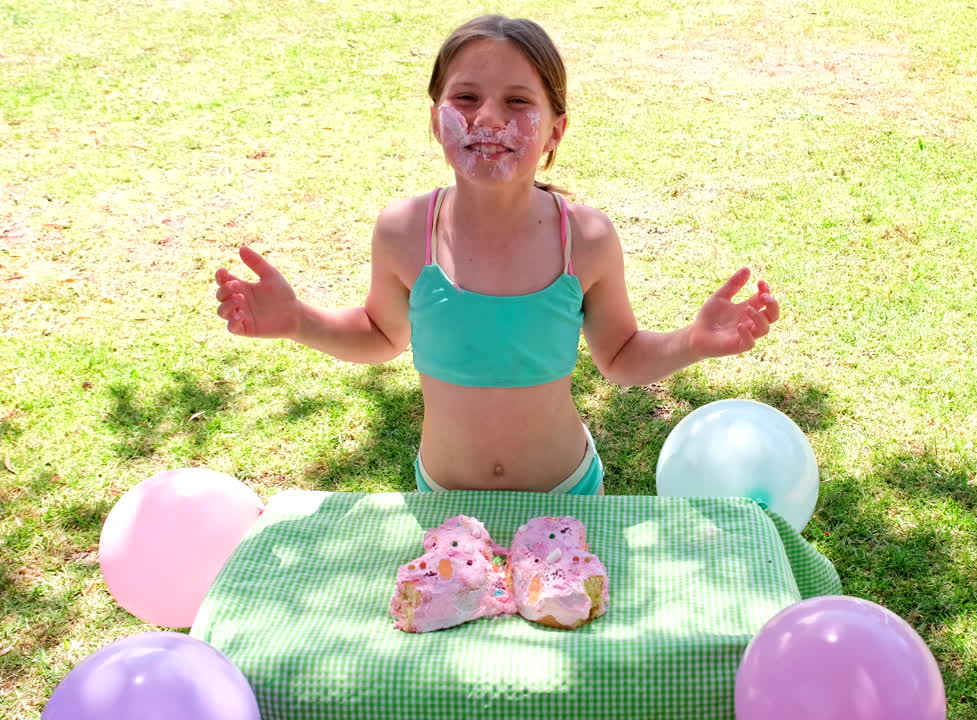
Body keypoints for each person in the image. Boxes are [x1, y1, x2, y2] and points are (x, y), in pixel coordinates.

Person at [213, 15, 780, 496]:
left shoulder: (585, 238)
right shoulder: (405, 230)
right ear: (437, 120)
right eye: (466, 98)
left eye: (517, 101)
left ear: (554, 130)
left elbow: (621, 357)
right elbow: (380, 336)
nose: (488, 118)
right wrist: (296, 321)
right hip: (443, 499)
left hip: (567, 494)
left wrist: (692, 342)